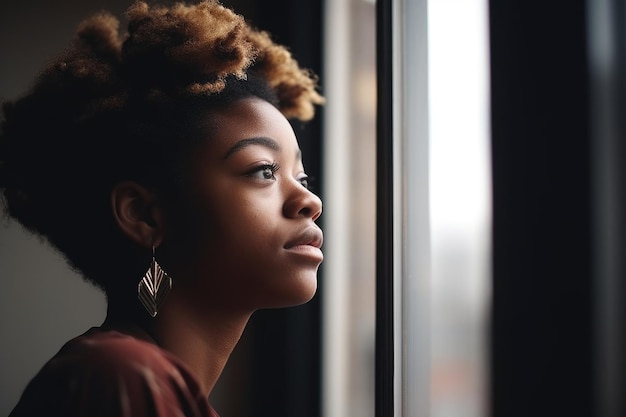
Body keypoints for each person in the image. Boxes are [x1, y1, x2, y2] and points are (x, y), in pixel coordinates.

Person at [0, 0, 324, 415]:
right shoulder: (121, 375)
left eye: (302, 179)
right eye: (263, 171)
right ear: (144, 215)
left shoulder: (141, 380)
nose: (309, 202)